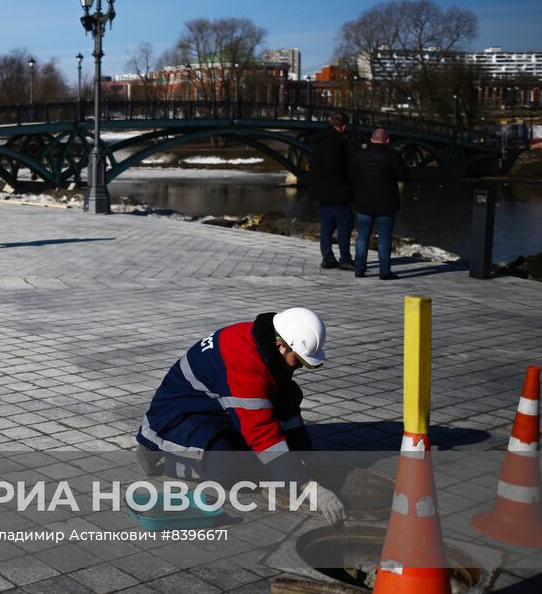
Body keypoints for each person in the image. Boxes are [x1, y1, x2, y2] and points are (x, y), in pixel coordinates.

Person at [134, 307, 347, 523]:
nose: (300, 366)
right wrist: (307, 486)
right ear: (281, 346)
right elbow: (261, 434)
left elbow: (283, 406)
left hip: (215, 408)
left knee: (288, 393)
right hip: (178, 418)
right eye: (298, 359)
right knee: (233, 469)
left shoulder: (265, 342)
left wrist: (305, 454)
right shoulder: (245, 366)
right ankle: (159, 450)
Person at [350, 127, 407, 280]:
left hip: (364, 202)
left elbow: (351, 175)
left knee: (362, 236)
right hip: (386, 203)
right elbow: (403, 175)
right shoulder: (392, 156)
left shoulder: (359, 155)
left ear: (371, 139)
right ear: (387, 141)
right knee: (384, 238)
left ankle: (359, 268)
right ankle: (384, 271)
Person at [310, 112, 354, 271]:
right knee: (345, 225)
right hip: (337, 192)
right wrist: (345, 184)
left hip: (322, 191)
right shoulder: (337, 142)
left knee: (327, 227)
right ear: (343, 127)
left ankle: (328, 258)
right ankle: (345, 259)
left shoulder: (320, 140)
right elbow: (335, 167)